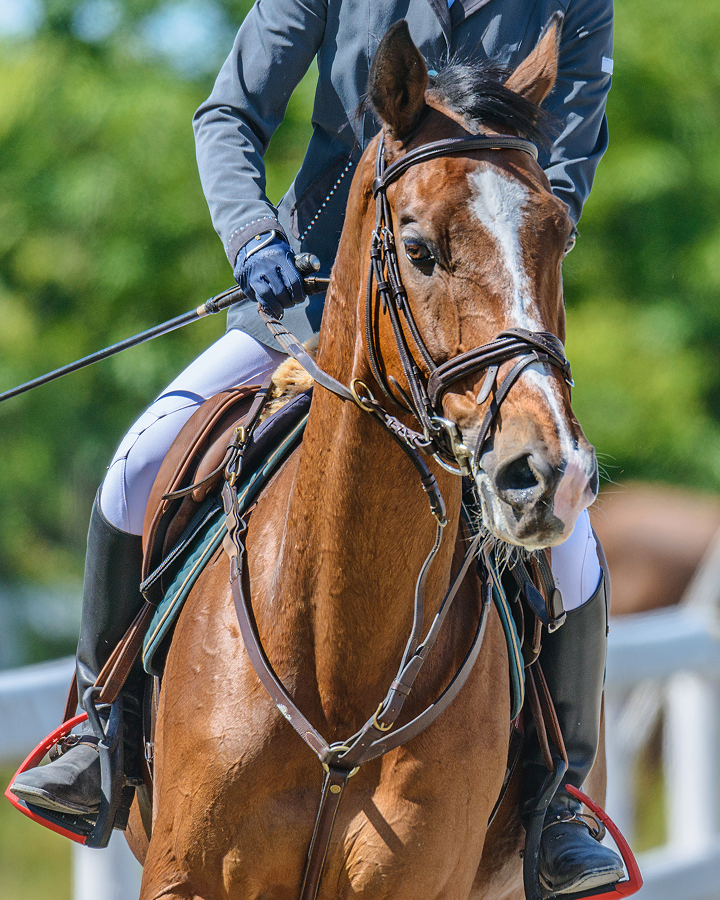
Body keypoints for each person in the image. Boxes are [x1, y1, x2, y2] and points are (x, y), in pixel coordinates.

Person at [12, 0, 620, 894]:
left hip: (467, 320)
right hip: (306, 298)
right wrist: (254, 237)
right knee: (137, 463)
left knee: (573, 540)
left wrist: (497, 252)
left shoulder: (570, 8)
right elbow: (228, 113)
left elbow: (563, 167)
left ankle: (555, 803)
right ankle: (100, 731)